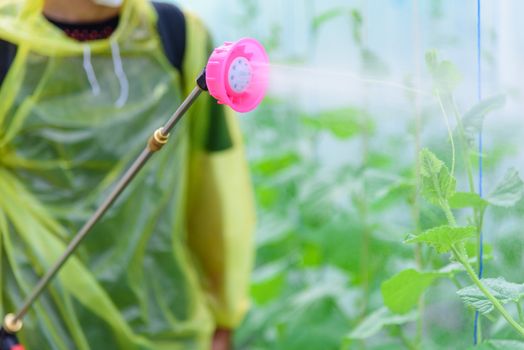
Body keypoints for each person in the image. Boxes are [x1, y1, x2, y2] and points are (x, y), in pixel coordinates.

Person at [0, 0, 255, 349]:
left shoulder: (175, 35)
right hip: (38, 326)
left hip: (164, 321)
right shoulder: (8, 44)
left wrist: (222, 322)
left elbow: (214, 189)